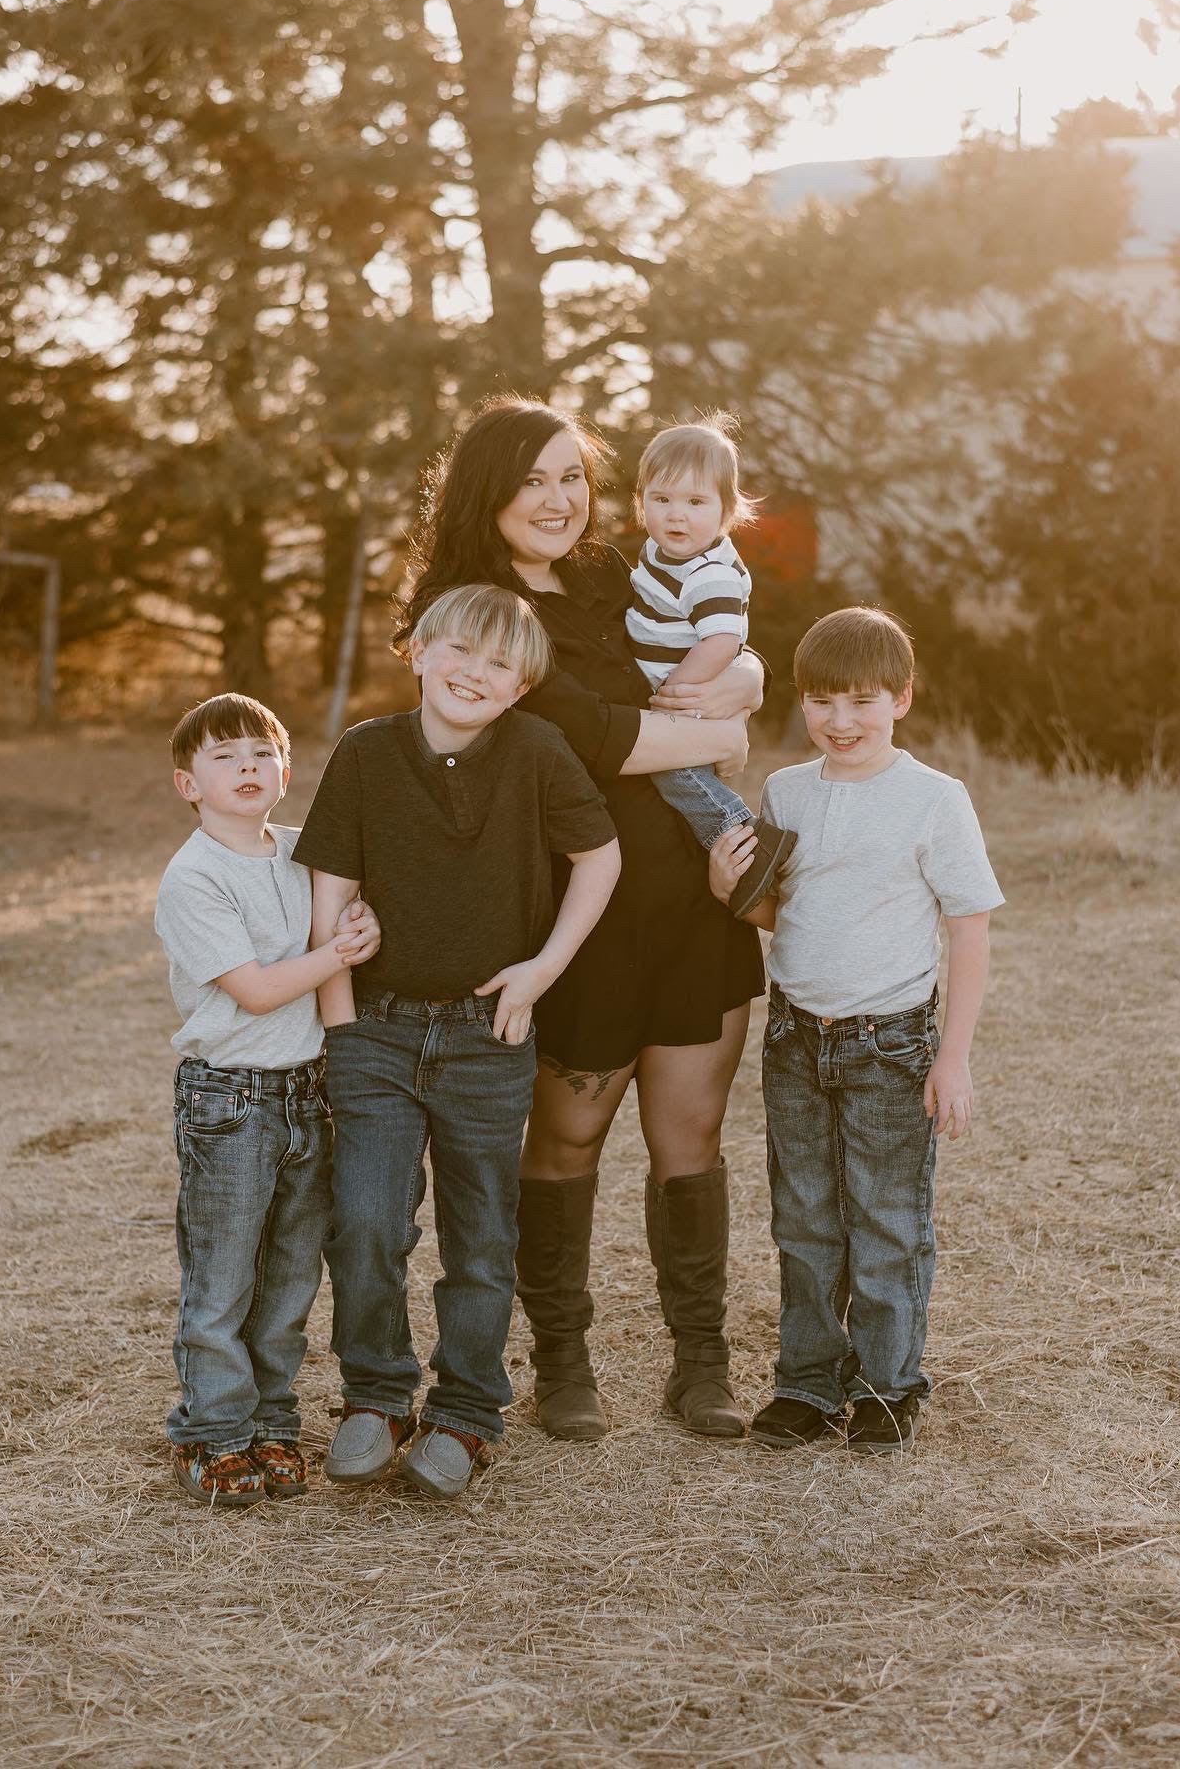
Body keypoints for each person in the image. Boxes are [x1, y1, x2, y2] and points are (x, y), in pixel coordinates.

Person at [395, 395, 768, 1443]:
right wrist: (713, 734)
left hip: (692, 898)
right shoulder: (473, 613)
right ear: (489, 491)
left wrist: (743, 673)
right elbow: (596, 737)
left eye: (574, 477)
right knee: (565, 1137)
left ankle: (701, 1364)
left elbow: (721, 628)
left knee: (690, 1133)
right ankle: (562, 1360)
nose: (560, 500)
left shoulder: (616, 572)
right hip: (574, 910)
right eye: (534, 480)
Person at [293, 585, 621, 1500]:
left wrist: (542, 969)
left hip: (487, 1033)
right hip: (378, 1029)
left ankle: (469, 1411)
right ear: (421, 652)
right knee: (365, 1221)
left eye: (499, 665)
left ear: (520, 688)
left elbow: (601, 858)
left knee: (480, 1235)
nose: (475, 674)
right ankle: (376, 1394)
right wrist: (338, 1018)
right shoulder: (366, 753)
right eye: (461, 653)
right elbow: (332, 882)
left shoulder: (537, 752)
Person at [709, 608, 1004, 1456]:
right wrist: (726, 885)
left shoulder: (934, 800)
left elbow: (970, 927)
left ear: (902, 699)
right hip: (797, 1038)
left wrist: (953, 1058)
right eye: (821, 700)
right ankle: (807, 1381)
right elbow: (779, 912)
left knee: (885, 1219)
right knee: (803, 1219)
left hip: (890, 1043)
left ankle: (886, 1386)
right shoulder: (788, 791)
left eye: (863, 701)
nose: (841, 721)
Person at [154, 693, 380, 1506]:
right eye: (223, 756)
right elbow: (252, 991)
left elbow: (347, 918)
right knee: (222, 1280)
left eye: (260, 752)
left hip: (307, 1094)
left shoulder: (302, 852)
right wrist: (338, 953)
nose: (246, 767)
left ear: (286, 769)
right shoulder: (194, 877)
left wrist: (353, 934)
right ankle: (212, 1434)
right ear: (189, 783)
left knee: (289, 1276)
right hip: (231, 1100)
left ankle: (272, 1423)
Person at [628, 416, 796, 918]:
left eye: (696, 503)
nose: (676, 516)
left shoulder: (709, 573)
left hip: (690, 700)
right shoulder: (664, 555)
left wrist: (678, 690)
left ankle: (742, 837)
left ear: (728, 510)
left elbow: (723, 641)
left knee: (676, 775)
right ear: (641, 501)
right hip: (681, 698)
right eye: (661, 500)